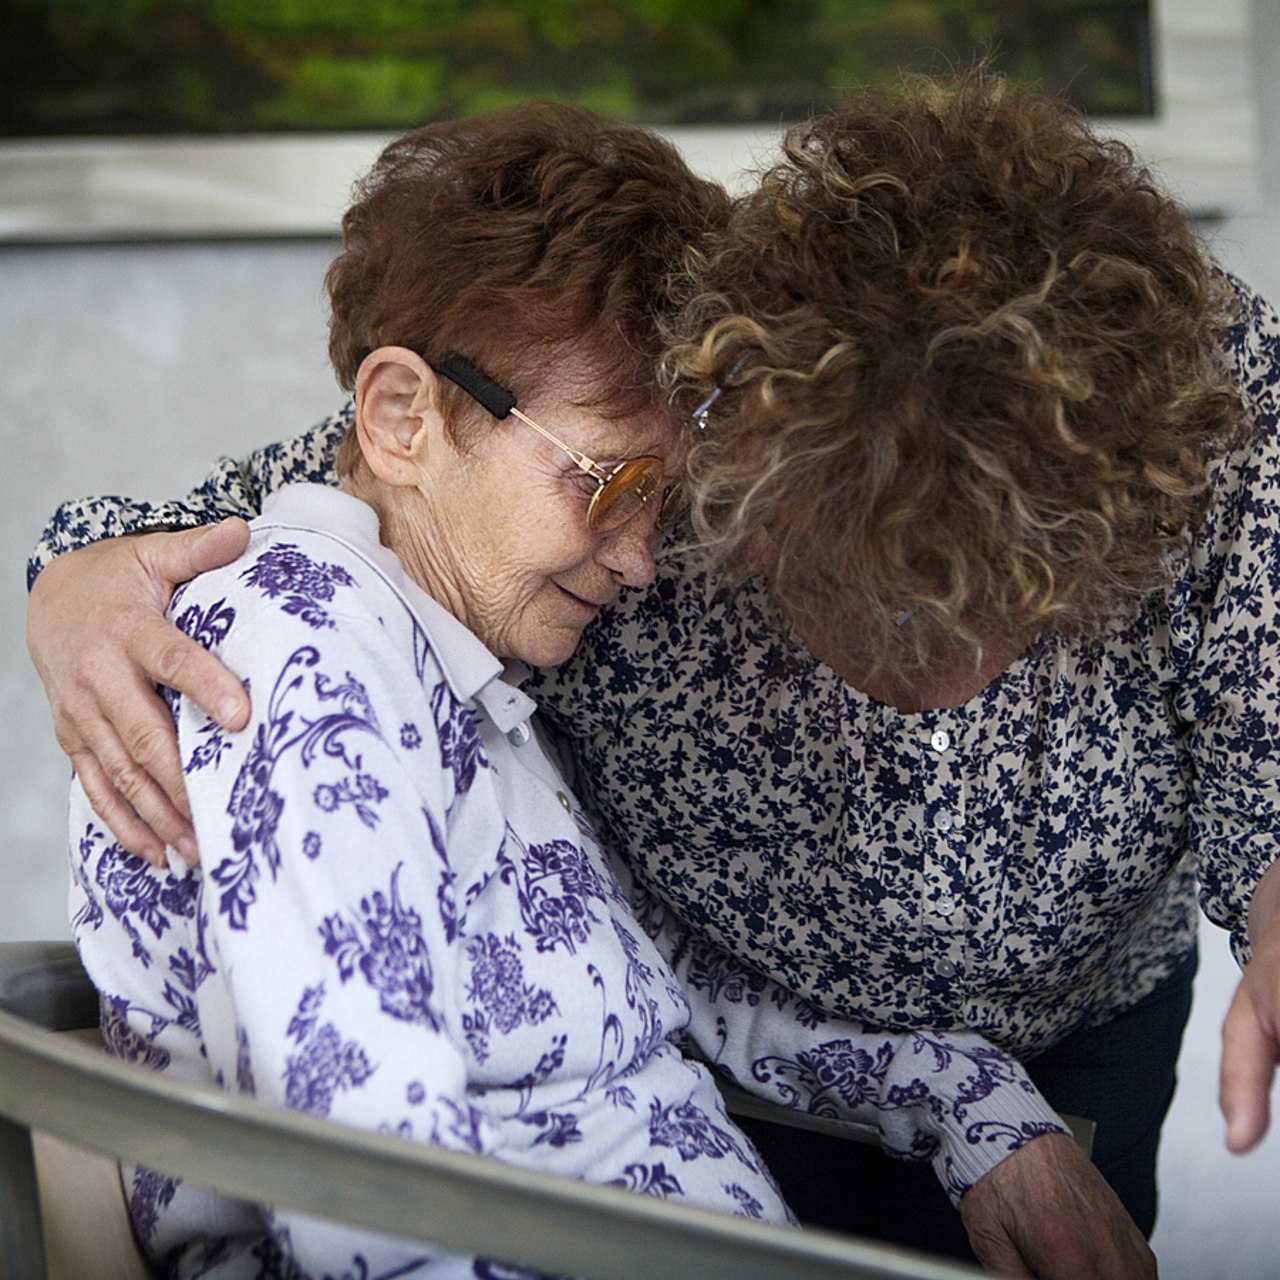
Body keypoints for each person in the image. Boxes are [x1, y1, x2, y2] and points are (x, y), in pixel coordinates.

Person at [31, 72, 1266, 1274]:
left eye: (671, 502)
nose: (642, 560)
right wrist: (70, 575)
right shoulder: (322, 644)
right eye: (616, 488)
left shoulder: (485, 673)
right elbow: (363, 1171)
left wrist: (983, 1104)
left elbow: (650, 985)